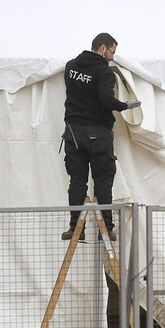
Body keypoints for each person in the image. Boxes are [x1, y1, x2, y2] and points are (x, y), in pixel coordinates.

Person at [62, 33, 140, 241]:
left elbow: (77, 93)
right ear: (103, 48)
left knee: (77, 182)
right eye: (112, 52)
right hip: (98, 133)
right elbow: (106, 100)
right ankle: (106, 228)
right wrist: (125, 106)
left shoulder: (71, 67)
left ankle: (74, 228)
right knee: (103, 182)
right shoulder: (104, 72)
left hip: (74, 133)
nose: (113, 57)